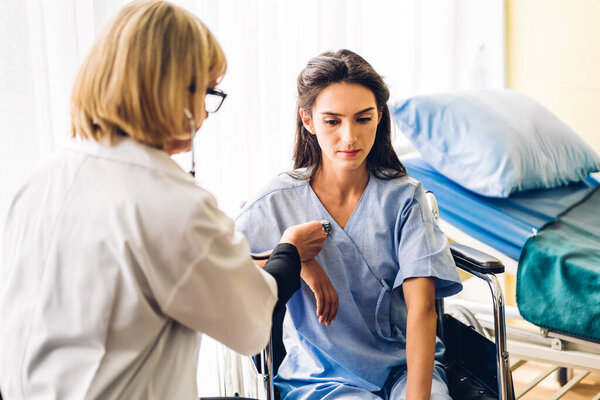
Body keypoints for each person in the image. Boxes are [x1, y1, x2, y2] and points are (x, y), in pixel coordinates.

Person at [0, 2, 327, 399]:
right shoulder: (171, 202)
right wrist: (288, 252)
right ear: (171, 91)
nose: (205, 115)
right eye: (207, 92)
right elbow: (252, 327)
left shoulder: (42, 179)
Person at [235, 49, 463, 400]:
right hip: (320, 377)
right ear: (308, 121)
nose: (350, 137)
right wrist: (294, 255)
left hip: (406, 367)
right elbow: (224, 274)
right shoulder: (276, 202)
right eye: (332, 121)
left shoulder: (405, 198)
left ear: (379, 118)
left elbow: (422, 309)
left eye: (362, 119)